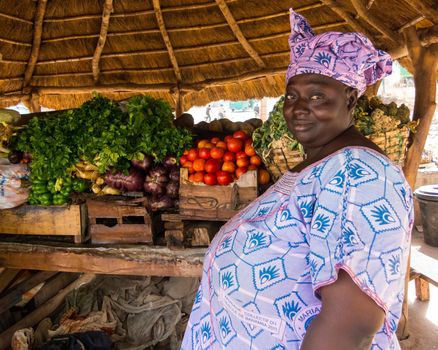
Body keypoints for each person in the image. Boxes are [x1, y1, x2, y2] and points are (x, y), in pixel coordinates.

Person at [181, 8, 413, 350]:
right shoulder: (317, 164)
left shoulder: (361, 175)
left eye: (317, 96)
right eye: (292, 95)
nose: (298, 107)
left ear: (350, 98)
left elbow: (351, 326)